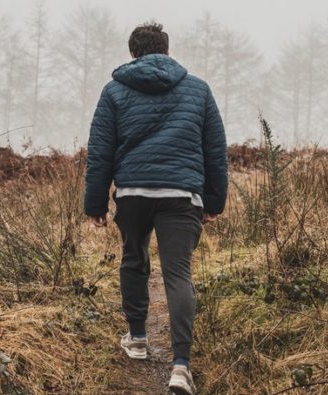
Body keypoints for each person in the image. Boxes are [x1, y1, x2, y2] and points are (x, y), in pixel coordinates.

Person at [83, 21, 228, 395]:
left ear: (133, 53)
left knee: (134, 258)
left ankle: (137, 338)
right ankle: (181, 367)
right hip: (182, 195)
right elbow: (215, 151)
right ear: (166, 49)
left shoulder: (114, 91)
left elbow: (100, 152)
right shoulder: (198, 89)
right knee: (178, 274)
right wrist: (214, 201)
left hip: (132, 193)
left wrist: (95, 202)